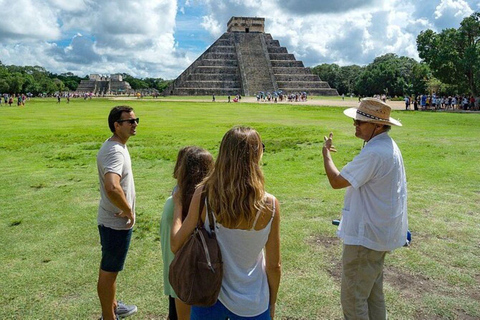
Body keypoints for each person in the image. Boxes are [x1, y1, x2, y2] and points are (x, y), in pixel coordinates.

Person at [171, 126, 281, 320]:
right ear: (256, 156)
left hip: (209, 294)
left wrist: (178, 204)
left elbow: (176, 243)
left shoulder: (204, 193)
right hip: (252, 301)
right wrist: (271, 302)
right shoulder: (270, 205)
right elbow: (274, 265)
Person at [321, 98, 408, 320]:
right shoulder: (386, 146)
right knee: (372, 294)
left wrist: (326, 154)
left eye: (360, 122)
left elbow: (337, 181)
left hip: (366, 238)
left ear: (378, 126)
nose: (355, 125)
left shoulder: (374, 152)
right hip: (378, 233)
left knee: (353, 298)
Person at [160, 146, 214, 320]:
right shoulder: (213, 201)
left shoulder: (173, 203)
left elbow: (172, 246)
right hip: (209, 277)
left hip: (179, 278)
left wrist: (177, 207)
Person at [96, 106, 139, 320]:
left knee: (111, 269)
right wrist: (128, 210)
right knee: (109, 271)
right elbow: (112, 187)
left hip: (111, 220)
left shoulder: (116, 146)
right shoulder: (114, 150)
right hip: (115, 222)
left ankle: (112, 306)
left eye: (136, 120)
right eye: (130, 121)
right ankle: (108, 316)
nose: (135, 124)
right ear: (117, 125)